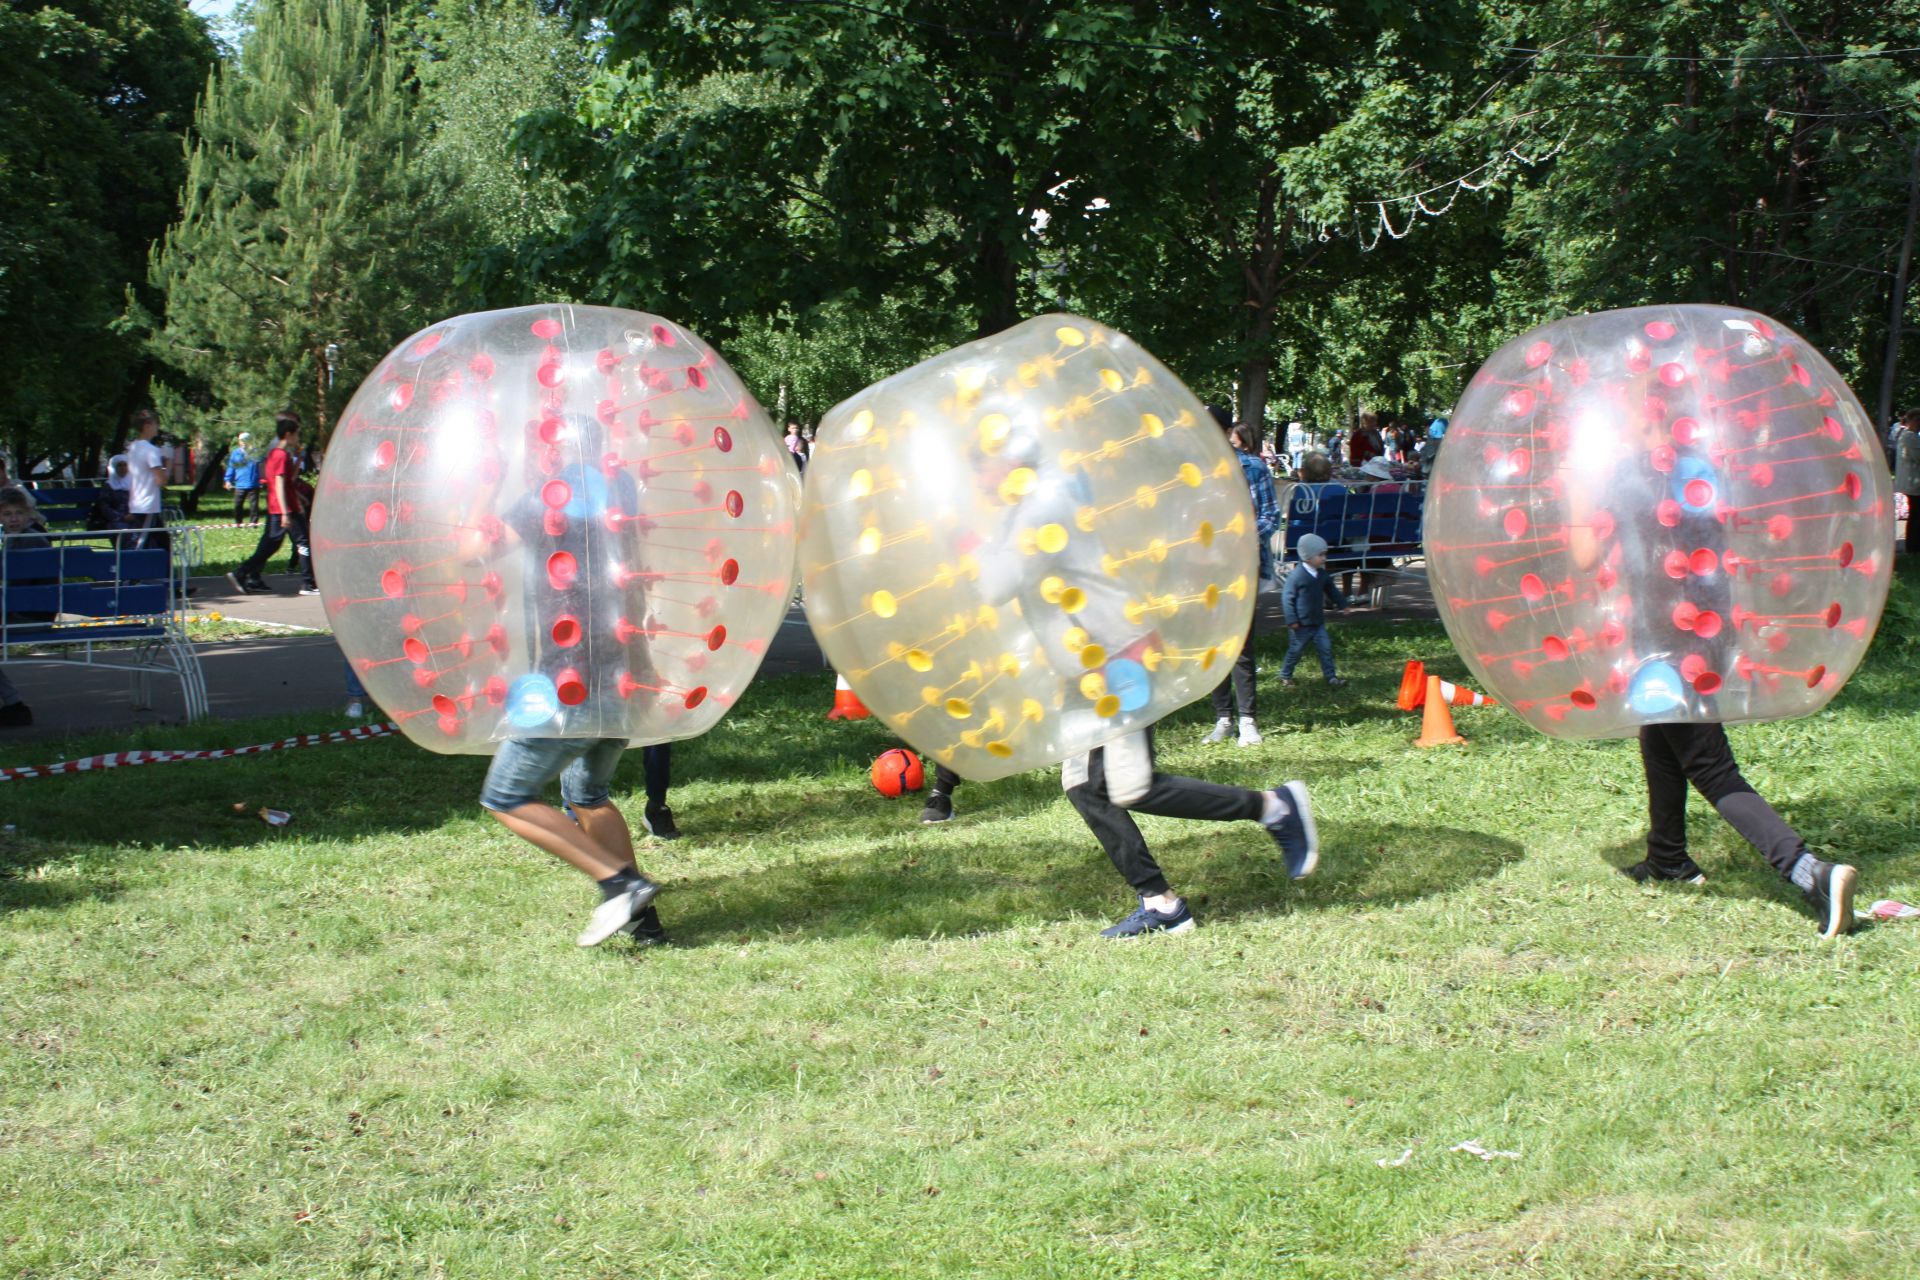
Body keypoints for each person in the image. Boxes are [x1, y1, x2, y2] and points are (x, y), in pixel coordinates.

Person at [969, 421, 1323, 936]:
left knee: (1121, 786)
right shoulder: (1024, 508)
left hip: (1117, 658)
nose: (977, 478)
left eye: (981, 464)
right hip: (1089, 665)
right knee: (1090, 786)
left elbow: (996, 583)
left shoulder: (1041, 506)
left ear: (1009, 460)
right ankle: (1162, 900)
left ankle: (1270, 810)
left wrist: (969, 541)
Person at [1563, 369, 1858, 938]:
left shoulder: (1622, 475)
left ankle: (1810, 873)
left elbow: (1582, 555)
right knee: (1662, 738)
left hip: (1663, 641)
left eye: (1624, 406)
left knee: (1711, 767)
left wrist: (1578, 495)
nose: (1618, 416)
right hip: (1712, 633)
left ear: (1645, 412)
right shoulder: (1700, 466)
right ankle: (1668, 858)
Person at [1205, 409, 1277, 746]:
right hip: (1204, 570)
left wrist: (1240, 539)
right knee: (1214, 646)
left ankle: (1247, 721)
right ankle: (1224, 719)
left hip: (1241, 568)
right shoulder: (1192, 472)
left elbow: (1270, 517)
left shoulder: (1252, 467)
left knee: (1241, 646)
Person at [227, 414, 317, 595]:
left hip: (281, 506)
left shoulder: (276, 454)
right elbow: (279, 483)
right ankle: (308, 584)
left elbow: (288, 481)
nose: (298, 438)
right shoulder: (280, 455)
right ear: (289, 434)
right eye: (297, 434)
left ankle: (242, 573)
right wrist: (285, 512)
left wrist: (299, 496)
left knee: (271, 545)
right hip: (284, 508)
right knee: (303, 541)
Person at [0, 485, 56, 727]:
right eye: (7, 514)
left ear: (28, 514)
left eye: (17, 513)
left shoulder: (26, 542)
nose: (13, 519)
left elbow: (15, 593)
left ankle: (14, 705)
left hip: (29, 617)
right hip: (31, 612)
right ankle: (14, 705)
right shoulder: (26, 537)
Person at [1279, 532, 1348, 688]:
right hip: (1301, 625)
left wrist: (1343, 604)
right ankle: (1285, 675)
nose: (1324, 558)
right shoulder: (1297, 576)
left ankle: (1331, 677)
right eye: (1320, 555)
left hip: (1317, 623)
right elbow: (1287, 598)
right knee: (1295, 651)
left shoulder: (1322, 575)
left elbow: (1332, 591)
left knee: (1326, 649)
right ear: (1308, 557)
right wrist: (1291, 620)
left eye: (1325, 554)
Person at [124, 409, 169, 553]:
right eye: (156, 424)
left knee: (161, 543)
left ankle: (163, 574)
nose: (158, 428)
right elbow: (161, 480)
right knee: (142, 545)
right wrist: (168, 466)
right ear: (148, 425)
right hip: (148, 504)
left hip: (137, 502)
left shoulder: (133, 447)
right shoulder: (151, 450)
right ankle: (132, 574)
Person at [225, 432, 263, 525]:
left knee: (254, 506)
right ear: (239, 442)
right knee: (238, 505)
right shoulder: (236, 453)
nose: (243, 442)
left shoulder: (256, 452)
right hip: (240, 484)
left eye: (246, 440)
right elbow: (231, 467)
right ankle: (238, 524)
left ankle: (253, 524)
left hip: (253, 484)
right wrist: (228, 480)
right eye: (241, 441)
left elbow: (263, 465)